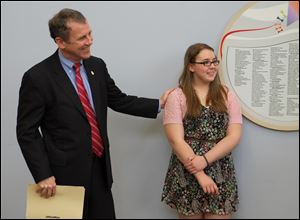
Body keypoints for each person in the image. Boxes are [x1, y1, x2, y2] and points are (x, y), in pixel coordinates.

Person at [16, 8, 172, 219]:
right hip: (62, 177)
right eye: (82, 37)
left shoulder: (96, 66)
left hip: (100, 169)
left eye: (90, 34)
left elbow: (118, 99)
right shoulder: (38, 77)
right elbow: (27, 131)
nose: (90, 41)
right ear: (61, 42)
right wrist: (43, 175)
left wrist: (159, 104)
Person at [161, 43, 242, 219]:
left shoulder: (227, 94)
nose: (212, 66)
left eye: (214, 61)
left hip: (220, 168)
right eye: (205, 62)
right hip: (187, 168)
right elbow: (176, 140)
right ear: (191, 66)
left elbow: (234, 136)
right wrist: (199, 173)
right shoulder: (177, 96)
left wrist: (204, 160)